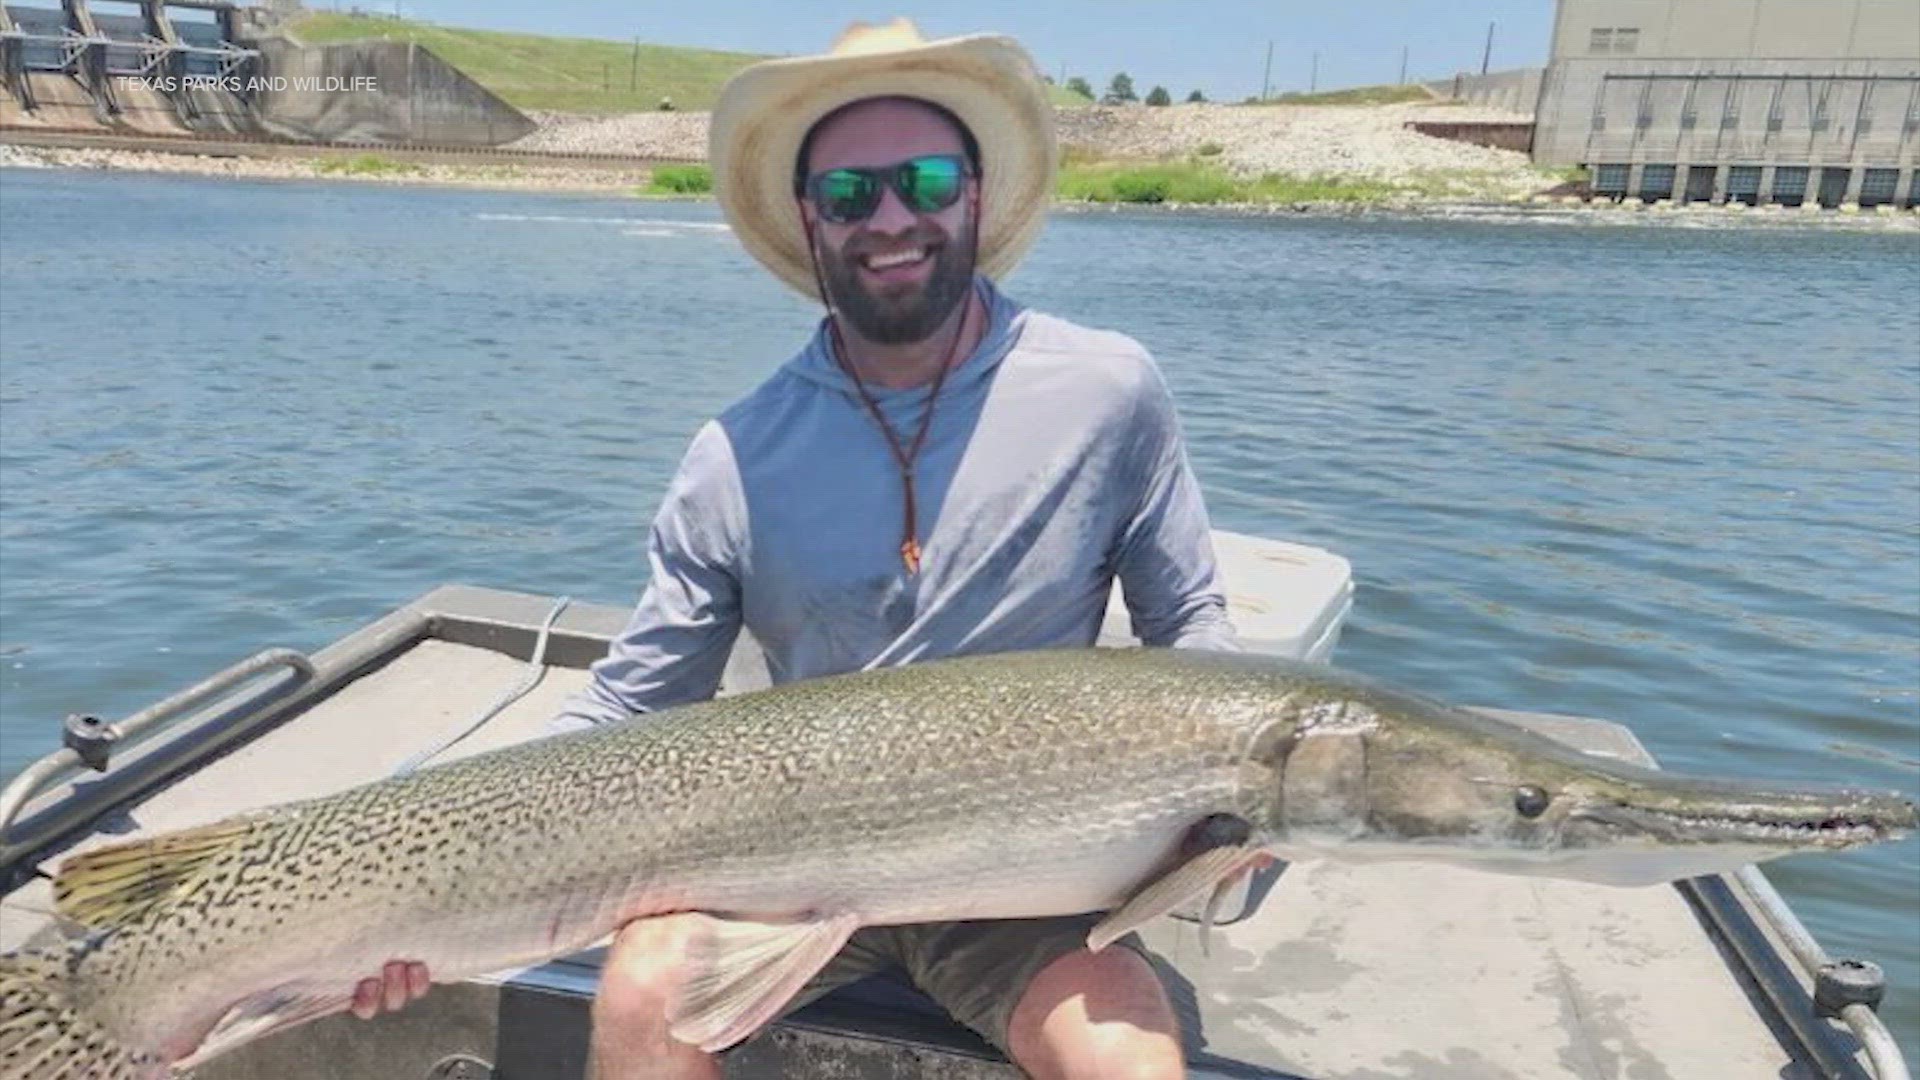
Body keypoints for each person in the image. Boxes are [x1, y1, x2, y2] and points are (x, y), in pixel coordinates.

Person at [355, 19, 1236, 1079]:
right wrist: (394, 883)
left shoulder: (1112, 390)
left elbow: (1195, 634)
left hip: (1025, 882)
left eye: (924, 178)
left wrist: (1232, 797)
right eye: (851, 195)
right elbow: (634, 707)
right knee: (639, 1000)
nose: (893, 218)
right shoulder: (734, 456)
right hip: (785, 864)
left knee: (1128, 1061)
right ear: (810, 223)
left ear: (977, 197)